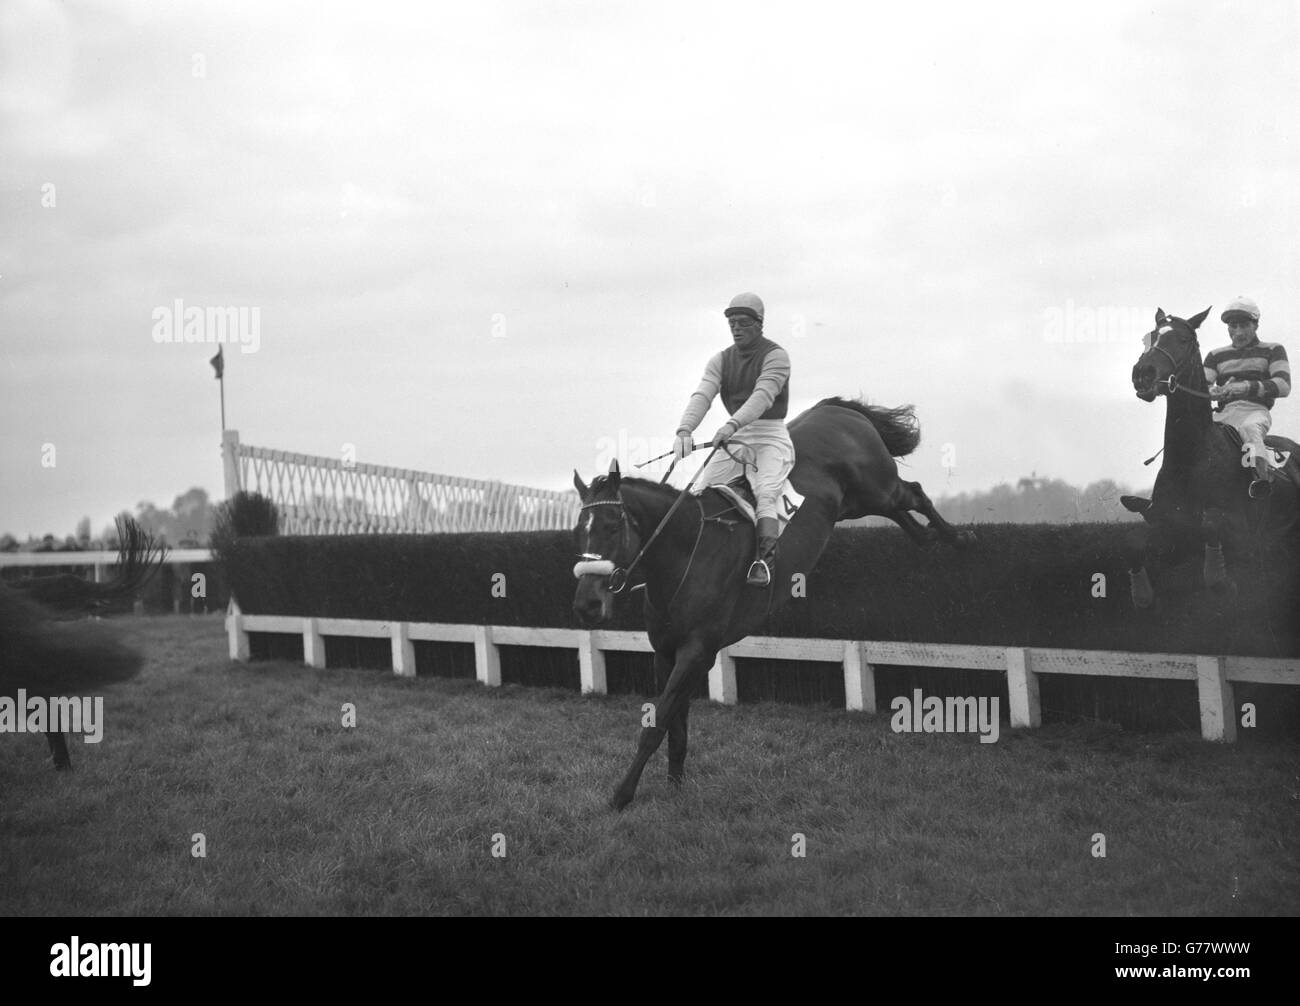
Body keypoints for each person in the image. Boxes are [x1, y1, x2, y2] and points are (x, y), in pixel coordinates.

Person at [672, 292, 795, 586]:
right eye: (732, 324)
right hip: (736, 436)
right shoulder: (720, 360)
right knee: (700, 492)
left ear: (759, 324)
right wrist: (684, 430)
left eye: (742, 323)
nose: (736, 329)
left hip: (769, 435)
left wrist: (730, 425)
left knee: (766, 493)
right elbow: (703, 395)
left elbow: (762, 396)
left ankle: (763, 563)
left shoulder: (776, 356)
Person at [1205, 296, 1291, 499]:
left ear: (1256, 325)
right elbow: (1203, 386)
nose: (1239, 332)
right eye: (1233, 326)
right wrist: (1213, 392)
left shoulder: (1273, 350)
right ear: (1228, 328)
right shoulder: (1215, 355)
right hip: (1224, 413)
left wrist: (1244, 388)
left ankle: (1261, 480)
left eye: (1244, 325)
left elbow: (1283, 385)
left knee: (1249, 428)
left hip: (1254, 411)